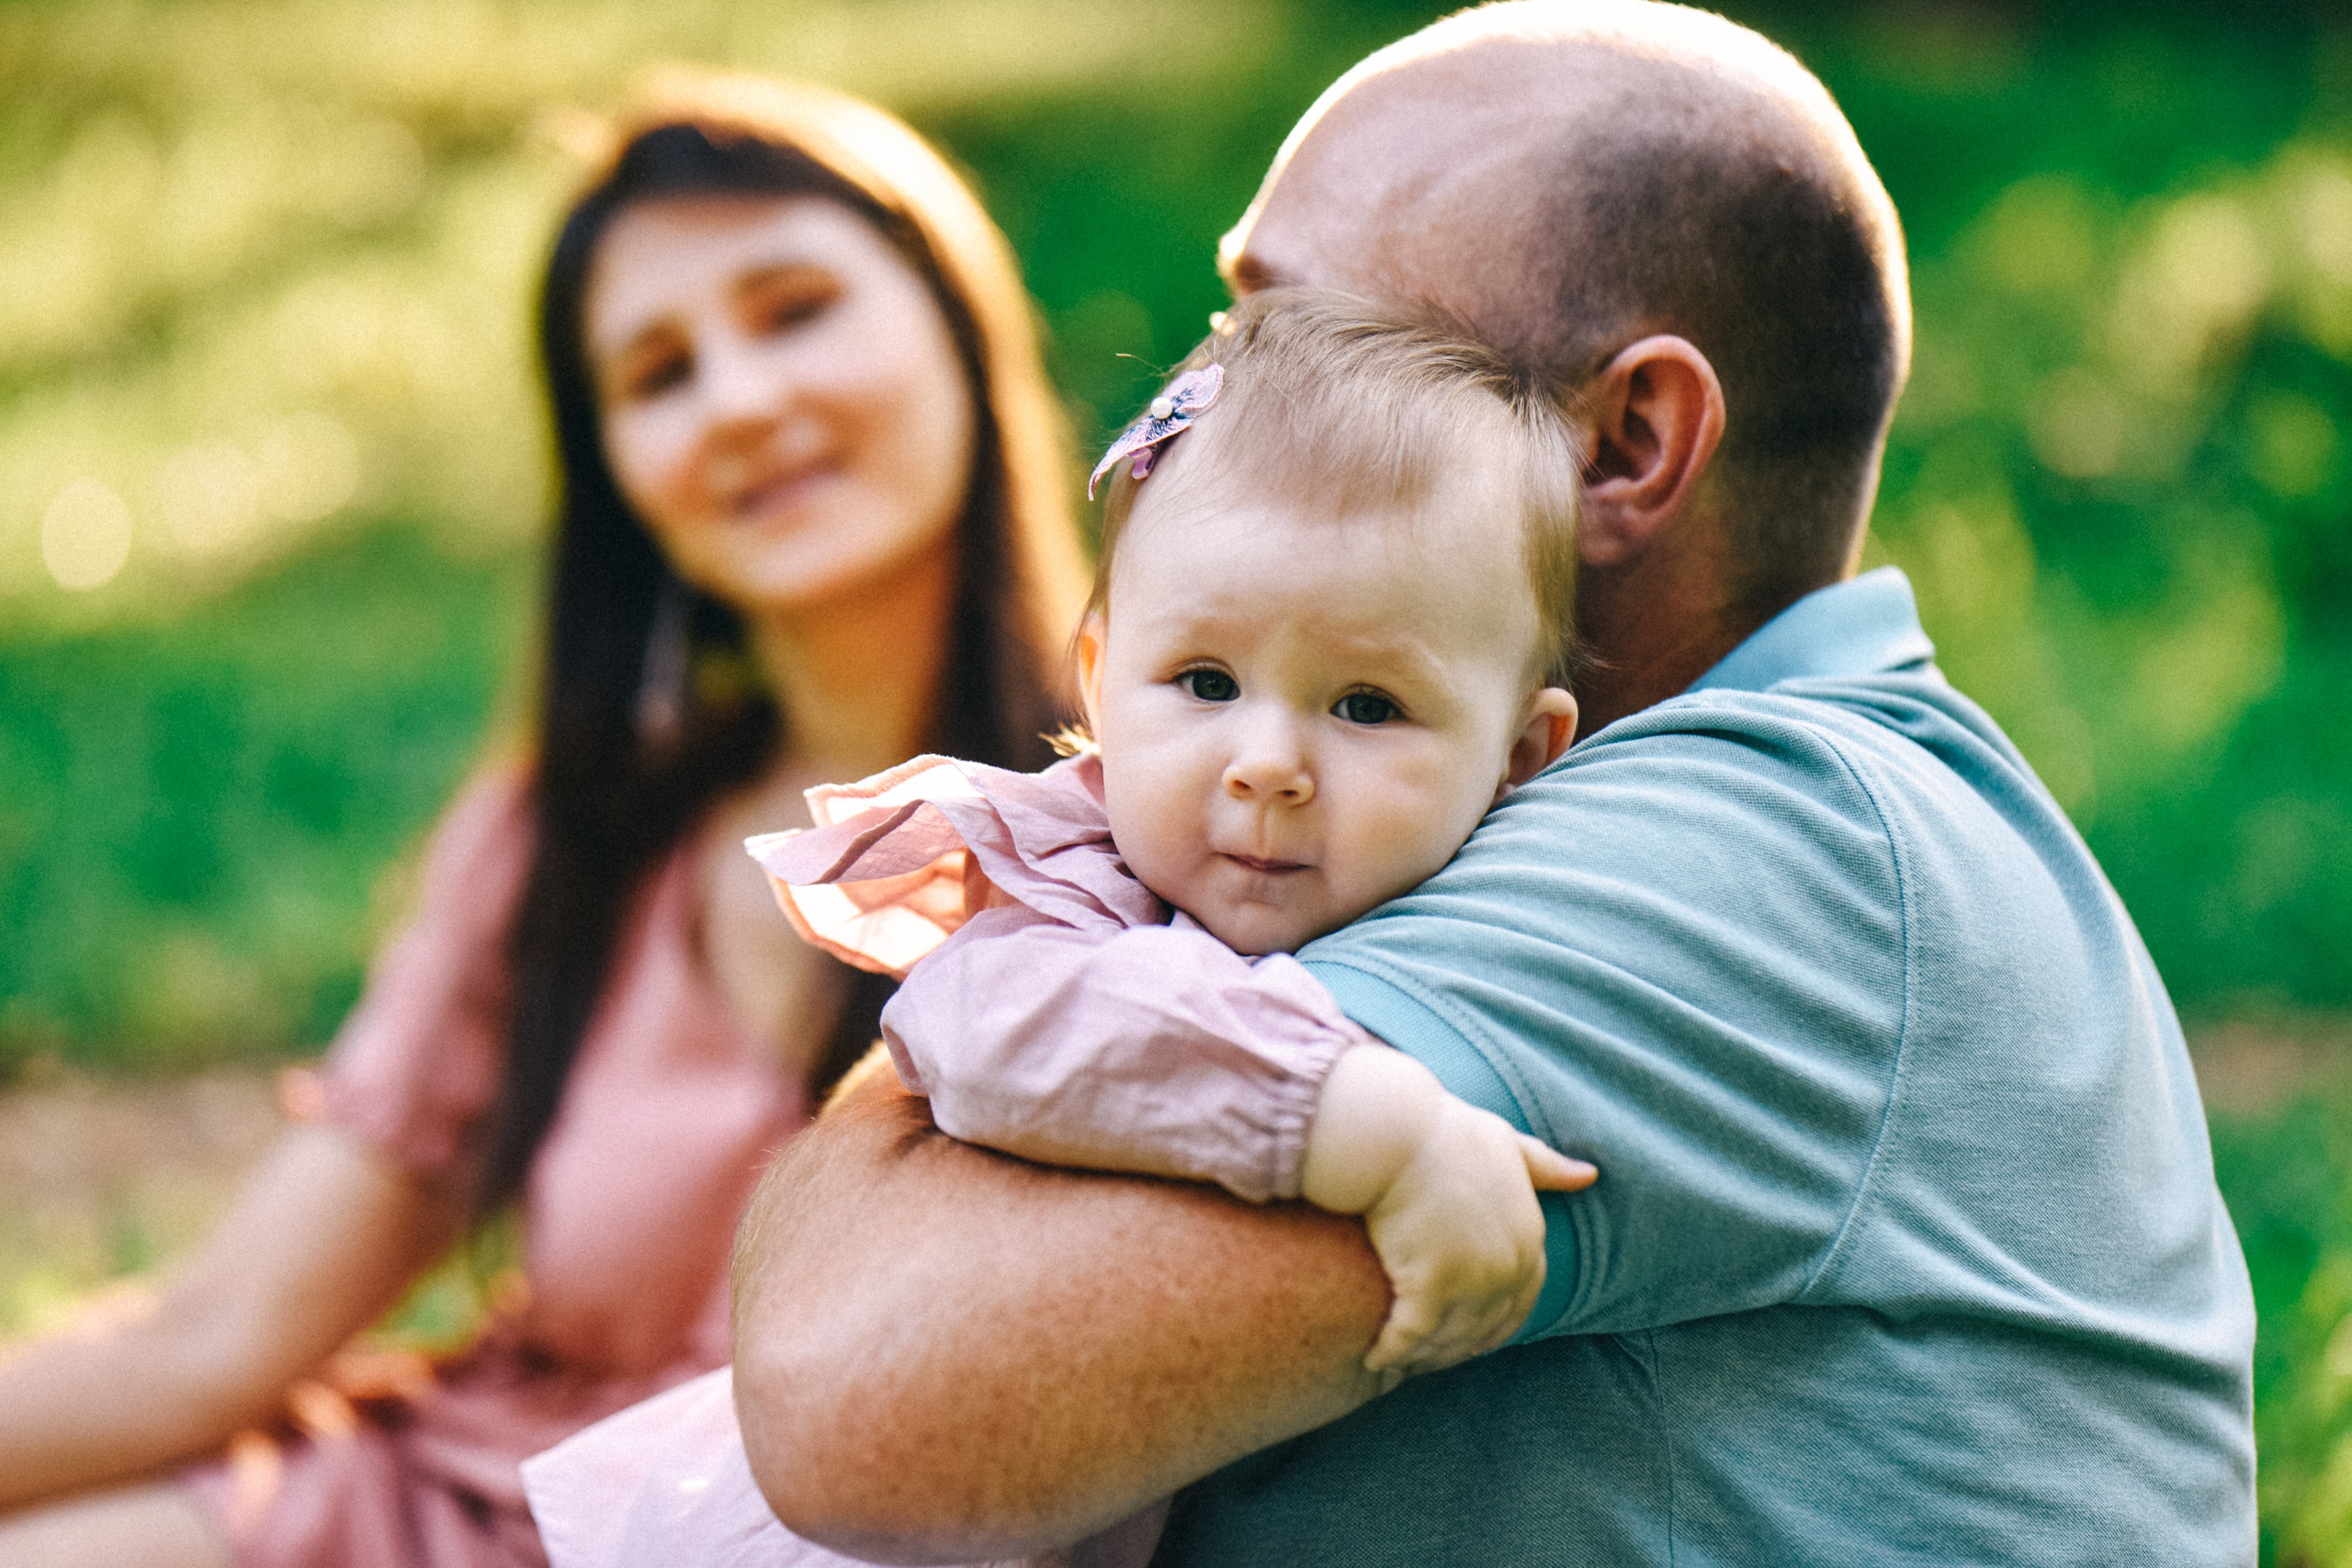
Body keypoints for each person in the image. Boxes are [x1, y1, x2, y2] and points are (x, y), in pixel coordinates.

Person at [724, 5, 2259, 1566]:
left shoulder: (1758, 851)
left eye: (1286, 335)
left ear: (1626, 446)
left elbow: (854, 1400)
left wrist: (1017, 970)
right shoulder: (1496, 810)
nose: (1219, 403)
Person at [0, 72, 1088, 1568]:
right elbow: (216, 1340)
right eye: (657, 375)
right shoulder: (576, 838)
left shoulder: (1147, 820)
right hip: (444, 1502)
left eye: (794, 311)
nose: (744, 403)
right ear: (619, 480)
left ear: (956, 326)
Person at [521, 292, 1606, 1568]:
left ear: (1523, 755)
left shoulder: (1526, 907)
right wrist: (1369, 1130)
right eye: (1203, 682)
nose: (1266, 763)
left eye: (1367, 706)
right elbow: (1011, 1034)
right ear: (1097, 680)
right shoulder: (1062, 888)